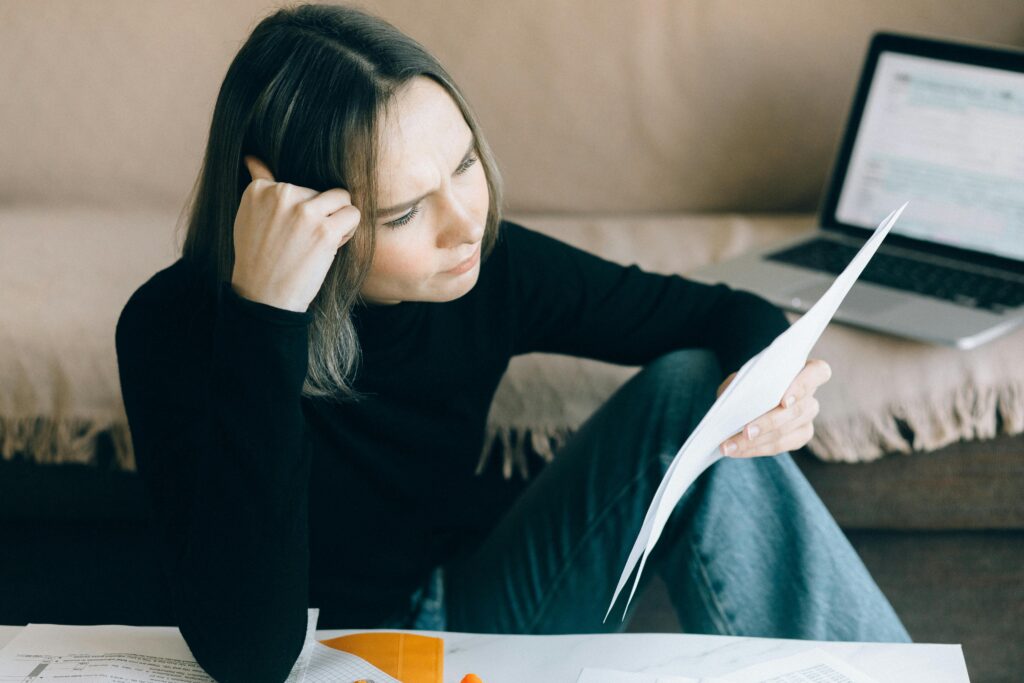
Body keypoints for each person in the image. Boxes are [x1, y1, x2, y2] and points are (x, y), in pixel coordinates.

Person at [114, 4, 910, 682]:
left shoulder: (487, 264)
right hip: (300, 659)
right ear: (284, 205)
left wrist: (776, 387)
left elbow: (720, 314)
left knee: (689, 387)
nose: (465, 223)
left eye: (463, 164)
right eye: (403, 213)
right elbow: (251, 656)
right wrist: (268, 320)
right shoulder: (169, 330)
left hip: (452, 617)